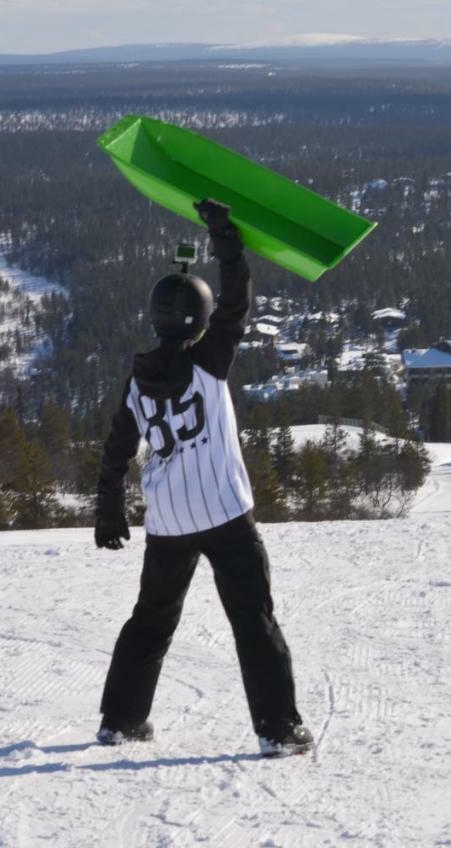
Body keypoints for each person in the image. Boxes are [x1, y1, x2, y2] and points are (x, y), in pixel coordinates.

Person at [93, 198, 312, 758]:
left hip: (168, 523)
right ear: (199, 316)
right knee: (252, 621)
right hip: (225, 514)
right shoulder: (211, 360)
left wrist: (110, 510)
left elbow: (117, 450)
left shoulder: (137, 382)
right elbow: (238, 297)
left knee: (151, 621)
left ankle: (119, 722)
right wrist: (224, 233)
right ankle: (279, 731)